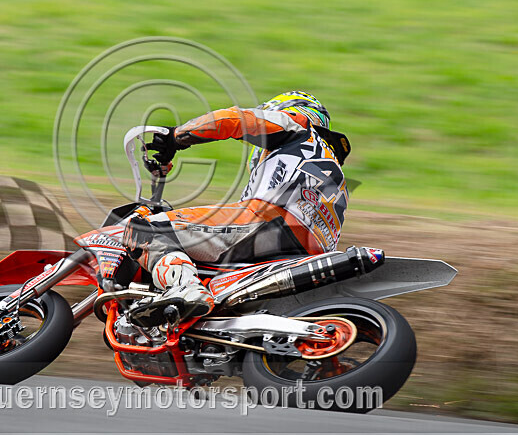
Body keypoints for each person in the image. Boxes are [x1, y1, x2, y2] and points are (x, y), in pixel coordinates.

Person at [122, 91, 351, 324]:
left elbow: (235, 120)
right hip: (310, 252)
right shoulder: (328, 167)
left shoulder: (299, 127)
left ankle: (185, 289)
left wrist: (176, 136)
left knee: (145, 230)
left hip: (269, 220)